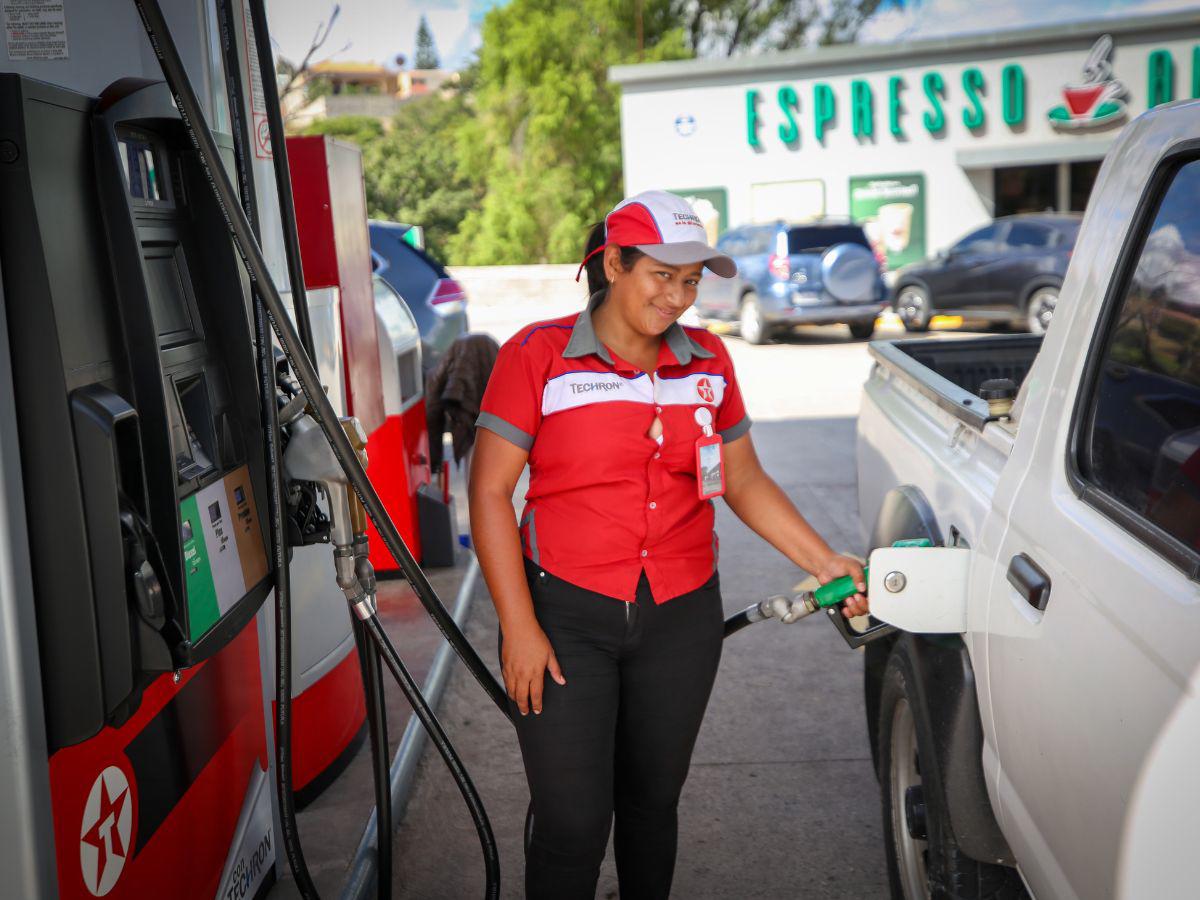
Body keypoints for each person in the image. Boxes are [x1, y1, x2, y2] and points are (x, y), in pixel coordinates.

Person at [469, 190, 869, 900]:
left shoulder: (709, 359)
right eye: (662, 275)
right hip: (565, 617)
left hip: (681, 616)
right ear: (614, 262)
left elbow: (742, 480)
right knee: (572, 821)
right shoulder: (539, 354)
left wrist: (824, 560)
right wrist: (519, 629)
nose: (679, 296)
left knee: (652, 804)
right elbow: (491, 493)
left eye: (691, 281)